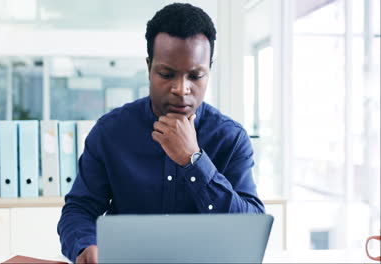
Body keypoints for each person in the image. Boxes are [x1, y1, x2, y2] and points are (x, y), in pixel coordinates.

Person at [58, 3, 265, 263]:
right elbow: (80, 209)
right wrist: (85, 246)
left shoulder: (230, 138)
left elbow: (251, 229)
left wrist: (194, 162)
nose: (181, 89)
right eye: (167, 74)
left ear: (209, 70)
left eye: (195, 76)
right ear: (149, 67)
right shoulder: (110, 132)